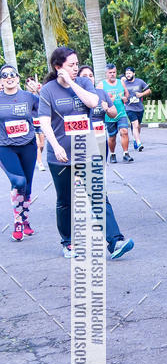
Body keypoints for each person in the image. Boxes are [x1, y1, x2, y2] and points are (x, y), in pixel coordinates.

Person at [38, 47, 134, 259]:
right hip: (61, 157)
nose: (75, 68)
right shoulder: (47, 91)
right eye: (70, 65)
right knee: (65, 201)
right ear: (57, 67)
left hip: (87, 151)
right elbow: (44, 122)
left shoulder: (82, 83)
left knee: (99, 196)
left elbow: (92, 102)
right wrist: (55, 146)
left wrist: (71, 82)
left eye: (76, 64)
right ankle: (68, 241)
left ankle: (115, 241)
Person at [0, 64, 39, 241]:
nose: (9, 77)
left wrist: (40, 92)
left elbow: (45, 110)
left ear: (18, 77)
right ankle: (17, 221)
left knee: (27, 186)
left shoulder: (29, 97)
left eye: (12, 74)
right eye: (4, 75)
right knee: (18, 181)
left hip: (28, 145)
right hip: (5, 146)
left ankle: (25, 219)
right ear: (1, 80)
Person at [102, 63, 132, 163]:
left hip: (121, 113)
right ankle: (112, 154)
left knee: (124, 131)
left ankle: (126, 154)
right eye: (110, 73)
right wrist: (106, 102)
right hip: (109, 115)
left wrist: (125, 98)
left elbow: (126, 94)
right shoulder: (101, 84)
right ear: (106, 73)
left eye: (114, 72)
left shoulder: (121, 82)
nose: (112, 74)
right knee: (112, 137)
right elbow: (98, 99)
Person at [122, 66, 150, 151]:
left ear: (134, 73)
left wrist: (141, 94)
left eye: (129, 73)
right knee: (135, 124)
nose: (128, 75)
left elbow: (148, 90)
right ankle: (139, 143)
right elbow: (120, 94)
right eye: (126, 73)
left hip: (139, 107)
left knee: (138, 126)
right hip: (129, 107)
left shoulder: (140, 81)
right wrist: (123, 98)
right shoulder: (123, 83)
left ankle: (135, 139)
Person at [25, 75, 46, 171]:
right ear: (26, 86)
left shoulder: (39, 94)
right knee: (37, 144)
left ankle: (37, 157)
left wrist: (39, 90)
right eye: (29, 83)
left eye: (32, 82)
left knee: (42, 145)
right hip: (31, 123)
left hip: (40, 122)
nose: (31, 85)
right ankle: (40, 163)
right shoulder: (25, 96)